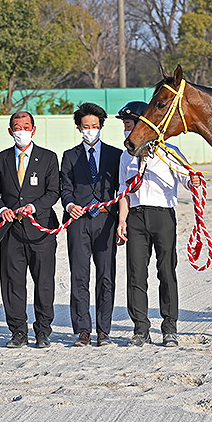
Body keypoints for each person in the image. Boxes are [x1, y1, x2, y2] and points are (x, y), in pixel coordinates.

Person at [116, 102, 201, 347]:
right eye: (125, 125)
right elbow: (123, 191)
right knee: (136, 274)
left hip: (163, 216)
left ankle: (170, 327)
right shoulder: (126, 155)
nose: (126, 129)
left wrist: (193, 180)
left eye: (129, 124)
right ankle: (140, 328)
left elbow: (186, 179)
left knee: (166, 271)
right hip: (136, 218)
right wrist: (122, 221)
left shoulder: (170, 152)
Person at [0, 111, 60, 349]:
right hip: (11, 232)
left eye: (26, 126)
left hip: (41, 232)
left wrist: (34, 207)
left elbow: (53, 192)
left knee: (44, 283)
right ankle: (18, 331)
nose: (21, 131)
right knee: (12, 284)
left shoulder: (48, 158)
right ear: (10, 132)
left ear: (34, 129)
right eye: (17, 127)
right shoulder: (0, 159)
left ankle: (43, 331)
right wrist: (2, 209)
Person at [60, 103, 122, 347]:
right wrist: (69, 205)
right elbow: (64, 187)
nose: (90, 130)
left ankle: (103, 330)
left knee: (106, 276)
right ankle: (83, 330)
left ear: (101, 127)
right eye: (86, 127)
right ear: (78, 128)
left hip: (106, 220)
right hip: (79, 222)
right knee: (80, 276)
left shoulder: (115, 155)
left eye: (95, 126)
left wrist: (120, 219)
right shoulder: (70, 156)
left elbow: (123, 188)